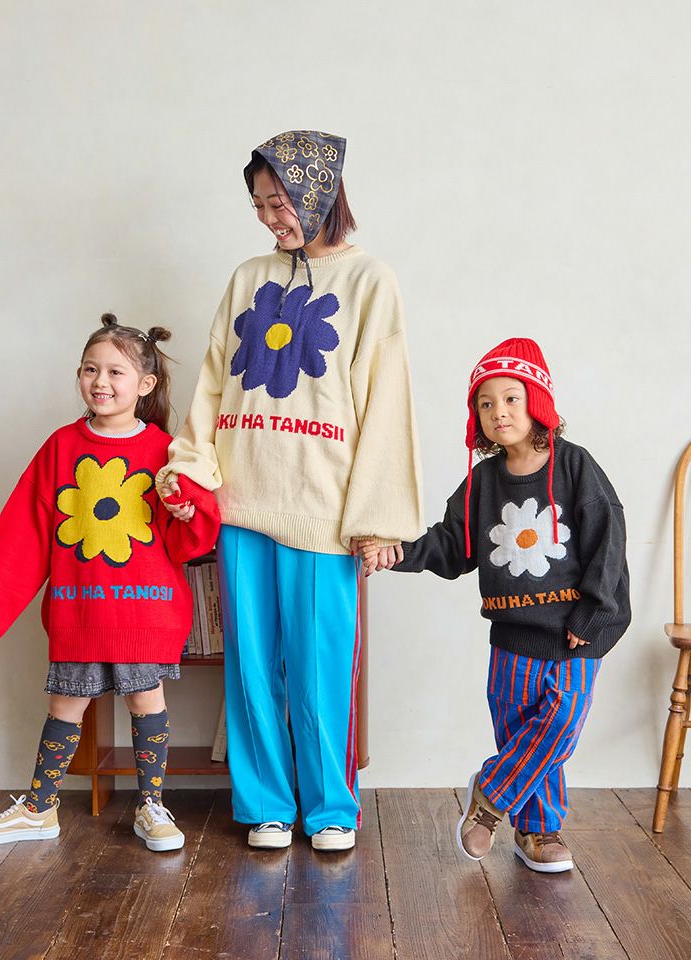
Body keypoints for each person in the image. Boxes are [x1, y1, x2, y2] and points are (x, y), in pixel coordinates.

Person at [157, 130, 424, 851]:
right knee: (250, 670)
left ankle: (331, 808)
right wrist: (191, 467)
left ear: (318, 192)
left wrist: (378, 519)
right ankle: (266, 805)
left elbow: (387, 400)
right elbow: (213, 381)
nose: (269, 218)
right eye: (259, 205)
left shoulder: (370, 281)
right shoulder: (248, 277)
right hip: (242, 500)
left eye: (279, 202)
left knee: (319, 671)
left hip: (322, 507)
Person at [360, 337, 630, 872]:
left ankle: (489, 799)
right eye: (486, 404)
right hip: (510, 635)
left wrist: (594, 613)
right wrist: (398, 552)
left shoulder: (575, 467)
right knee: (522, 732)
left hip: (574, 630)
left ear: (537, 402)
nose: (498, 412)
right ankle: (538, 832)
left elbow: (608, 541)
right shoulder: (483, 481)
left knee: (560, 722)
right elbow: (451, 543)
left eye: (510, 398)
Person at [0, 314, 220, 851]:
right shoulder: (59, 447)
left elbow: (190, 541)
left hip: (145, 612)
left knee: (146, 701)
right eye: (89, 369)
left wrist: (187, 510)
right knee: (63, 707)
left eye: (115, 372)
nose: (100, 382)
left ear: (144, 384)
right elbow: (20, 539)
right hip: (78, 610)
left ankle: (151, 807)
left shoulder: (168, 451)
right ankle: (39, 809)